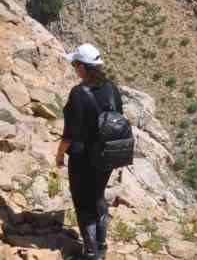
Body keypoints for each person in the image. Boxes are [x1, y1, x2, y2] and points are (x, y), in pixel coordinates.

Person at [55, 43, 121, 260]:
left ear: (83, 66)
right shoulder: (111, 87)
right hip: (108, 155)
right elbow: (118, 118)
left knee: (83, 202)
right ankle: (101, 246)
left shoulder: (78, 94)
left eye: (75, 64)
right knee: (97, 196)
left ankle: (91, 253)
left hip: (84, 158)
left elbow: (69, 134)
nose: (74, 68)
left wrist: (59, 155)